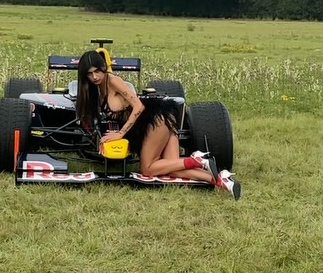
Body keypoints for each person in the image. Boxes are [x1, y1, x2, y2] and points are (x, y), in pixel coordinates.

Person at [75, 50, 240, 198]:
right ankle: (221, 180)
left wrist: (120, 133)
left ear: (104, 68)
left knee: (148, 169)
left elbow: (138, 106)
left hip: (156, 120)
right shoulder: (95, 89)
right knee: (172, 169)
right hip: (161, 119)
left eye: (97, 71)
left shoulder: (113, 81)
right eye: (90, 74)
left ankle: (197, 160)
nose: (95, 77)